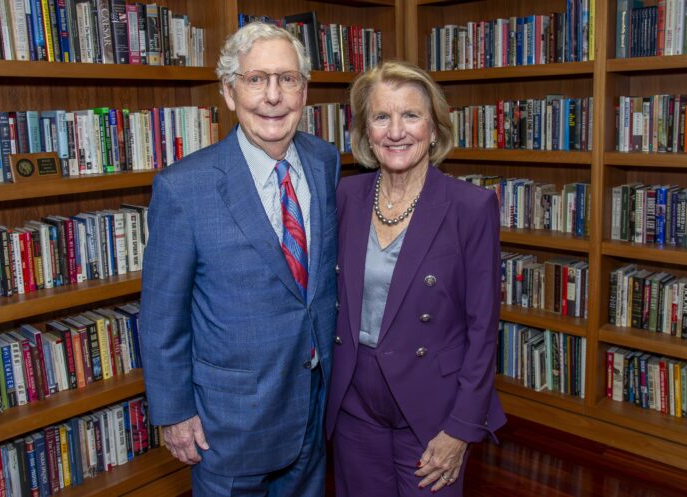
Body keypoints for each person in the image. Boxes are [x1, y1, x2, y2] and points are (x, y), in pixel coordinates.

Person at [139, 22, 340, 497]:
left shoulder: (324, 160)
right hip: (228, 422)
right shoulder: (183, 187)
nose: (273, 96)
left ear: (305, 92)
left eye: (287, 79)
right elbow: (162, 314)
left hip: (312, 400)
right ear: (229, 93)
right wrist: (174, 413)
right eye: (256, 80)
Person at [325, 61, 506, 497]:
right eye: (381, 117)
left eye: (411, 115)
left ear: (434, 126)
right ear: (366, 130)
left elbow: (483, 329)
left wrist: (461, 429)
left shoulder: (471, 207)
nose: (396, 131)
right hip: (354, 400)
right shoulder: (345, 196)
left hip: (431, 403)